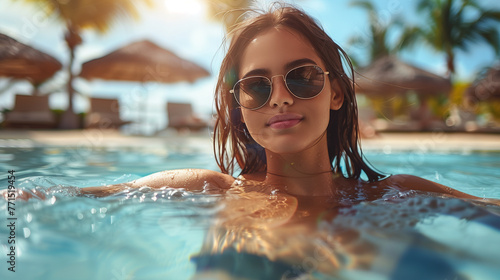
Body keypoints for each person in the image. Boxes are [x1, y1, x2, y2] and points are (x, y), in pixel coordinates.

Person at [78, 4, 475, 201]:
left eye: (302, 76)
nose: (281, 97)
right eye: (256, 85)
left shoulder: (398, 194)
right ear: (239, 106)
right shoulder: (206, 189)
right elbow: (53, 198)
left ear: (336, 91)